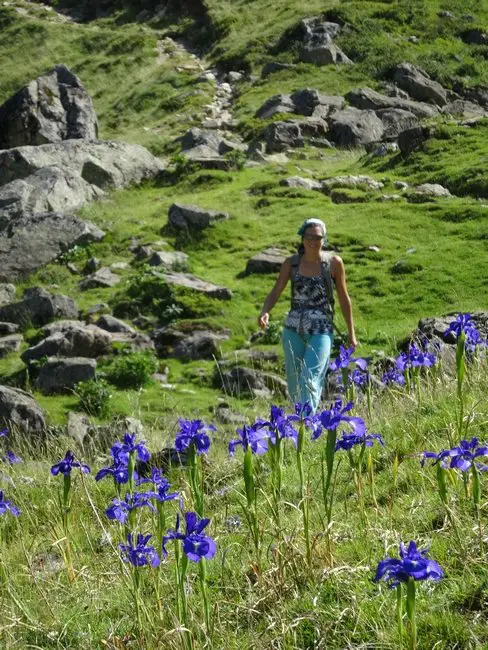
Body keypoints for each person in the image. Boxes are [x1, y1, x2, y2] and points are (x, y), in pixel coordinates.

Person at [257, 218, 358, 413]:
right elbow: (276, 291)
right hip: (293, 330)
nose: (313, 240)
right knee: (295, 382)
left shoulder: (334, 263)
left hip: (322, 330)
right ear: (302, 238)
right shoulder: (291, 264)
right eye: (309, 236)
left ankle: (307, 422)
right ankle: (298, 423)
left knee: (311, 377)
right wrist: (265, 312)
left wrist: (351, 333)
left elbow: (345, 299)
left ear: (324, 239)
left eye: (318, 237)